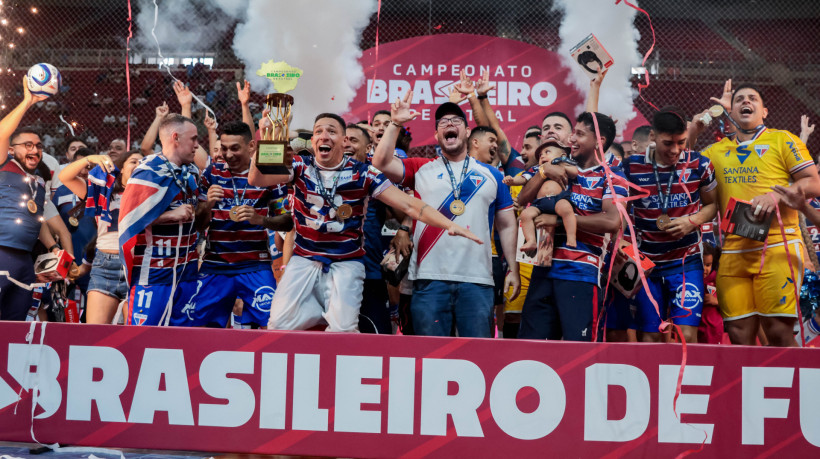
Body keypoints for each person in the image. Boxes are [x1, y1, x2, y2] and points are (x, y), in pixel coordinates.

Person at [249, 112, 481, 332]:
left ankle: (329, 314)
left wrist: (449, 223)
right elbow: (257, 178)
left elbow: (410, 205)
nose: (323, 135)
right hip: (305, 259)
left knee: (342, 330)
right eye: (318, 131)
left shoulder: (364, 173)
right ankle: (321, 311)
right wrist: (264, 139)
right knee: (278, 324)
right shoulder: (301, 166)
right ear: (314, 141)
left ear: (343, 140)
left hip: (347, 262)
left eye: (331, 131)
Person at [371, 91, 521, 338]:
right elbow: (381, 164)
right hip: (429, 280)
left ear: (467, 132)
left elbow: (506, 225)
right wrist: (395, 123)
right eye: (442, 123)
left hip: (478, 280)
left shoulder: (493, 175)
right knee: (430, 359)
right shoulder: (420, 168)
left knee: (477, 356)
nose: (449, 125)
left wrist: (512, 269)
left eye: (456, 121)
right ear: (436, 135)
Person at [702, 81, 820, 346]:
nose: (746, 102)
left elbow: (813, 183)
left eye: (753, 98)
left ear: (764, 111)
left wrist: (776, 195)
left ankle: (788, 388)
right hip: (733, 252)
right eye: (740, 99)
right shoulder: (714, 152)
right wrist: (710, 115)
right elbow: (681, 157)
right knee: (739, 336)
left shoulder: (783, 139)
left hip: (779, 246)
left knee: (778, 331)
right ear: (730, 111)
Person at [516, 112, 626, 341]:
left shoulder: (613, 176)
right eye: (573, 132)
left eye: (579, 134)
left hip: (581, 273)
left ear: (599, 141)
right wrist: (543, 172)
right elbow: (522, 199)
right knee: (533, 348)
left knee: (579, 353)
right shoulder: (559, 165)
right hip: (543, 267)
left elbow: (612, 221)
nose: (572, 139)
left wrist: (558, 223)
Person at [622, 107, 718, 343]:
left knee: (685, 335)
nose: (675, 150)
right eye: (668, 143)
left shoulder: (700, 165)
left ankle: (688, 381)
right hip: (647, 266)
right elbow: (619, 213)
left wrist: (691, 221)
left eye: (681, 142)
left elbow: (714, 205)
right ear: (653, 137)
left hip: (686, 263)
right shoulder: (630, 167)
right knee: (651, 336)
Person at [185, 121, 289, 328]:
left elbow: (287, 222)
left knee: (274, 324)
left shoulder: (268, 175)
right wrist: (208, 205)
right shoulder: (212, 172)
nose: (228, 154)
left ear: (251, 146)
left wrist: (260, 219)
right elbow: (198, 226)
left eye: (235, 148)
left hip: (255, 265)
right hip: (216, 265)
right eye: (224, 148)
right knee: (198, 327)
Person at [119, 114, 203, 326]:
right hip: (154, 273)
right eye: (193, 139)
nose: (197, 145)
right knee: (143, 338)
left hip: (187, 272)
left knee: (185, 339)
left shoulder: (193, 171)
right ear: (175, 137)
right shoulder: (148, 170)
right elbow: (130, 219)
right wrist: (170, 216)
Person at [0, 77, 64, 319]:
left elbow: (37, 221)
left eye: (38, 146)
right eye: (27, 145)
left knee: (14, 324)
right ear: (11, 149)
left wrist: (54, 247)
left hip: (24, 261)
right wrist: (27, 102)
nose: (35, 150)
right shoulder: (4, 164)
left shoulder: (38, 182)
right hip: (1, 252)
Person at [59, 149, 143, 323]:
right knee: (95, 333)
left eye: (143, 163)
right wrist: (89, 159)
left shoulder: (152, 196)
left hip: (138, 267)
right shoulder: (103, 194)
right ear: (121, 168)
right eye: (134, 161)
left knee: (136, 336)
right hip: (105, 266)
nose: (139, 165)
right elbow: (65, 177)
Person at [516, 140, 579, 252]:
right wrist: (512, 180)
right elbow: (523, 178)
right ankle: (531, 240)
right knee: (525, 215)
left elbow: (574, 172)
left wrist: (562, 164)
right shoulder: (536, 169)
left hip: (558, 199)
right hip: (540, 203)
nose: (542, 156)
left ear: (562, 155)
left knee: (566, 209)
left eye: (547, 152)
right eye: (540, 155)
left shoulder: (563, 164)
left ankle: (571, 237)